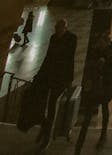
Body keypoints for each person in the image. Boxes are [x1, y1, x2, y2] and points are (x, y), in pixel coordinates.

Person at [34, 18, 77, 151]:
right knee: (41, 104)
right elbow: (48, 56)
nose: (57, 31)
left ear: (65, 28)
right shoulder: (53, 38)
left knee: (53, 106)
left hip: (60, 78)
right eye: (56, 28)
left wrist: (69, 80)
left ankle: (47, 136)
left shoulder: (71, 39)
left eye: (59, 29)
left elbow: (70, 59)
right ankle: (44, 128)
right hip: (48, 76)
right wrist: (39, 74)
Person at [75, 32, 112, 153]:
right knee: (88, 115)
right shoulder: (96, 52)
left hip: (104, 87)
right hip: (95, 87)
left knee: (104, 109)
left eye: (102, 42)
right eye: (99, 42)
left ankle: (103, 134)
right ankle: (80, 142)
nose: (100, 44)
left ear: (105, 43)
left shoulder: (109, 54)